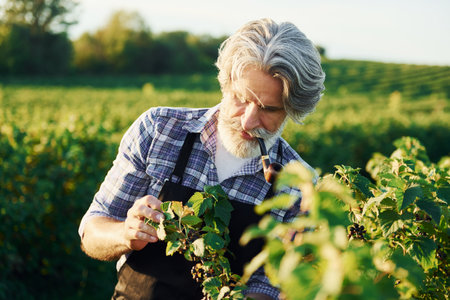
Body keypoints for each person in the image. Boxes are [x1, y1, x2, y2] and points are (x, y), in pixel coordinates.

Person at [79, 18, 325, 300]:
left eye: (269, 109)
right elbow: (93, 230)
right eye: (241, 99)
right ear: (225, 84)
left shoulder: (297, 185)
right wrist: (125, 233)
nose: (248, 121)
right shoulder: (160, 129)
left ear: (292, 110)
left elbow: (269, 285)